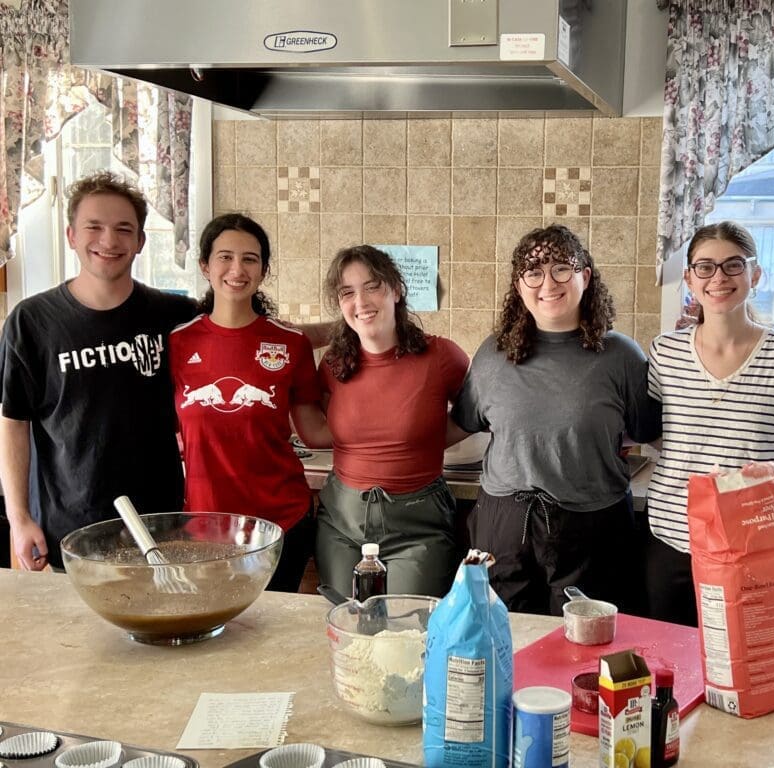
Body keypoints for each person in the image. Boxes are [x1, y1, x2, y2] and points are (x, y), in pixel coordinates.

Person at [450, 224, 662, 616]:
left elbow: (652, 435)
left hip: (593, 529)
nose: (547, 282)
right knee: (504, 636)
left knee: (584, 650)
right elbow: (460, 425)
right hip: (504, 526)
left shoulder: (622, 357)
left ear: (585, 275)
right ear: (519, 285)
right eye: (534, 271)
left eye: (561, 268)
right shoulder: (493, 354)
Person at [0, 171, 197, 571]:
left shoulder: (176, 315)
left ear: (141, 242)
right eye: (94, 227)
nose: (109, 241)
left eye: (124, 229)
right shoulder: (31, 321)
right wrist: (19, 519)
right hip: (69, 528)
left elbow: (245, 336)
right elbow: (13, 424)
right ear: (71, 235)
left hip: (162, 524)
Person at [645, 221, 774, 626]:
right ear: (689, 278)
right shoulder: (664, 352)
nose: (718, 278)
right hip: (674, 543)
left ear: (755, 274)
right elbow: (656, 435)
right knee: (674, 673)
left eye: (733, 265)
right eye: (704, 267)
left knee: (754, 676)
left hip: (756, 548)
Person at [169, 214, 331, 592]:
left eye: (250, 259)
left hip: (280, 522)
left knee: (274, 637)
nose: (237, 269)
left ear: (264, 270)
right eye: (225, 257)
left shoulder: (290, 344)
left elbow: (314, 430)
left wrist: (385, 426)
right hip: (204, 526)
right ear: (205, 266)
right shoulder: (177, 343)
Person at [315, 245, 469, 599]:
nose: (361, 301)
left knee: (408, 631)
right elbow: (324, 424)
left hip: (418, 527)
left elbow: (474, 416)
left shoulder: (441, 356)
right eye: (347, 292)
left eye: (372, 286)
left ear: (396, 290)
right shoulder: (334, 364)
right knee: (345, 627)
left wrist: (425, 442)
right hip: (341, 523)